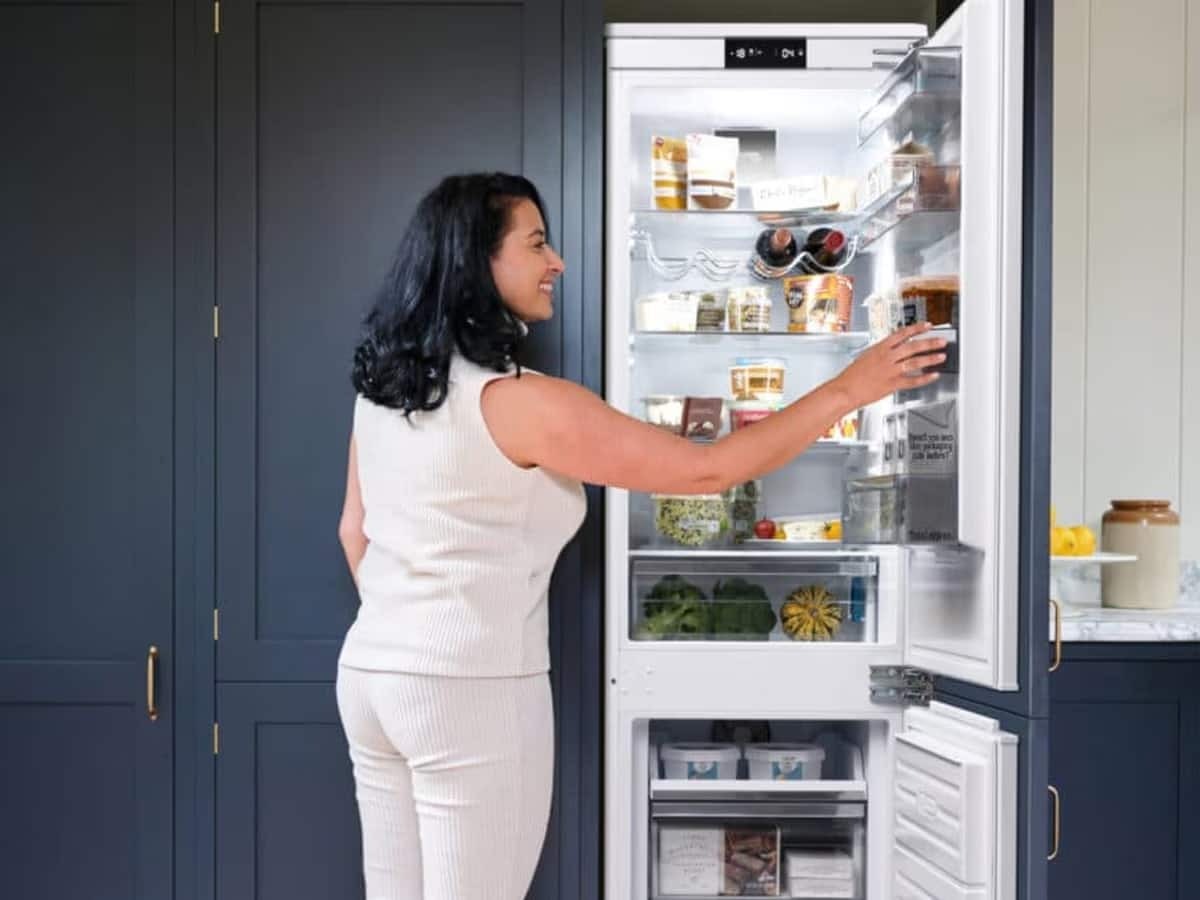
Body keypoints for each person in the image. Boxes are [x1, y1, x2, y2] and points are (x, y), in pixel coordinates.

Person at [335, 172, 945, 900]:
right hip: (470, 686)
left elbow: (354, 531)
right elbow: (707, 469)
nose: (557, 261)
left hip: (372, 676)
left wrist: (410, 635)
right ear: (477, 262)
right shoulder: (520, 403)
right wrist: (850, 387)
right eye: (536, 243)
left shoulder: (383, 394)